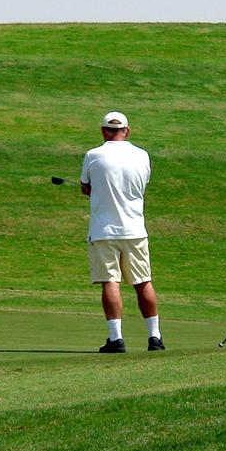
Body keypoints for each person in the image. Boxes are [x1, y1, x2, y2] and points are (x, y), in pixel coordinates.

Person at [80, 111, 165, 353]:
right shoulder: (142, 156)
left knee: (110, 282)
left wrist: (94, 189)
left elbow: (86, 188)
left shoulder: (93, 155)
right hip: (135, 229)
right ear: (127, 130)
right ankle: (154, 337)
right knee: (143, 282)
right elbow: (140, 186)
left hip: (103, 231)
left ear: (103, 131)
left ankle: (116, 339)